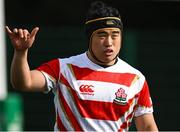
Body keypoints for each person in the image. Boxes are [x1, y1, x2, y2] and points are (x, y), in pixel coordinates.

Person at [6, 1, 158, 131]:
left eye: (115, 34)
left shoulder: (136, 79)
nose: (109, 42)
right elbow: (23, 83)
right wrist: (21, 52)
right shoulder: (64, 68)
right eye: (102, 35)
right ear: (89, 38)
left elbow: (147, 127)